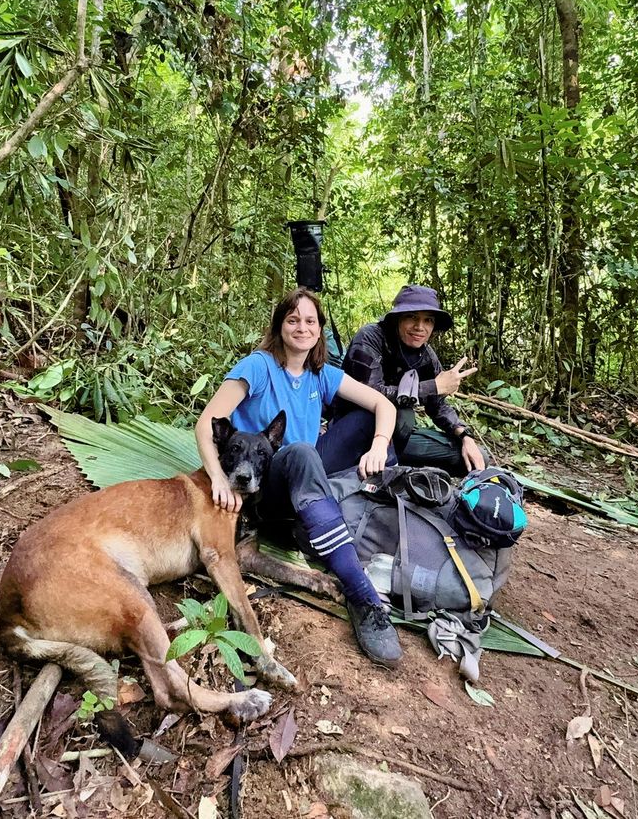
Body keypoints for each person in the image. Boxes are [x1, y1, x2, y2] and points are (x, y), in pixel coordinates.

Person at [195, 289, 403, 667]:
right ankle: (363, 597)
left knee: (368, 422)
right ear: (280, 326)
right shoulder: (258, 366)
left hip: (304, 474)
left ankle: (358, 510)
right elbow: (206, 422)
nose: (302, 328)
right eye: (293, 320)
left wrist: (378, 445)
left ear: (320, 329)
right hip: (266, 487)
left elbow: (383, 404)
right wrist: (218, 480)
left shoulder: (320, 374)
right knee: (302, 453)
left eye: (310, 321)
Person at [329, 285, 484, 476]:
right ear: (397, 318)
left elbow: (438, 405)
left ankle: (398, 465)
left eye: (428, 320)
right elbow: (371, 393)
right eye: (412, 317)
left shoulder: (426, 355)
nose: (420, 327)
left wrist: (465, 435)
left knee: (475, 458)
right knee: (403, 416)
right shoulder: (370, 338)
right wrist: (433, 386)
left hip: (397, 439)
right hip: (355, 430)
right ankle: (378, 469)